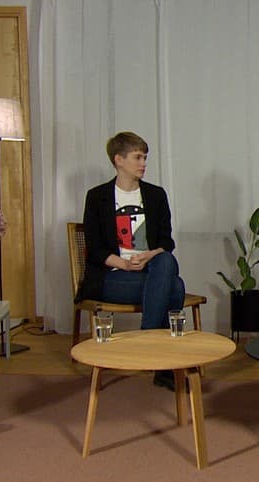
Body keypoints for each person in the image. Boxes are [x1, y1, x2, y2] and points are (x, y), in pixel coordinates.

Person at [77, 131, 186, 390]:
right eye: (138, 157)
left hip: (151, 270)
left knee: (165, 260)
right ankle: (163, 365)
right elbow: (94, 249)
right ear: (119, 159)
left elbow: (166, 241)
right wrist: (124, 264)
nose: (143, 163)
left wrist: (149, 254)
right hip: (113, 276)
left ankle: (147, 340)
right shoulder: (97, 196)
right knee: (175, 287)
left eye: (145, 158)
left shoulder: (156, 195)